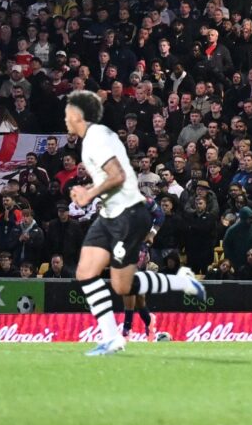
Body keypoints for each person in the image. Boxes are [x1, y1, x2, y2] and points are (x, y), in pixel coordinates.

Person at [64, 89, 204, 357]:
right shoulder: (96, 137)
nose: (66, 119)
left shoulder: (95, 140)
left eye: (70, 113)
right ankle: (112, 338)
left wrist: (88, 193)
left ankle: (180, 282)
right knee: (86, 272)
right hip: (109, 214)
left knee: (121, 285)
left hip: (128, 214)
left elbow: (116, 176)